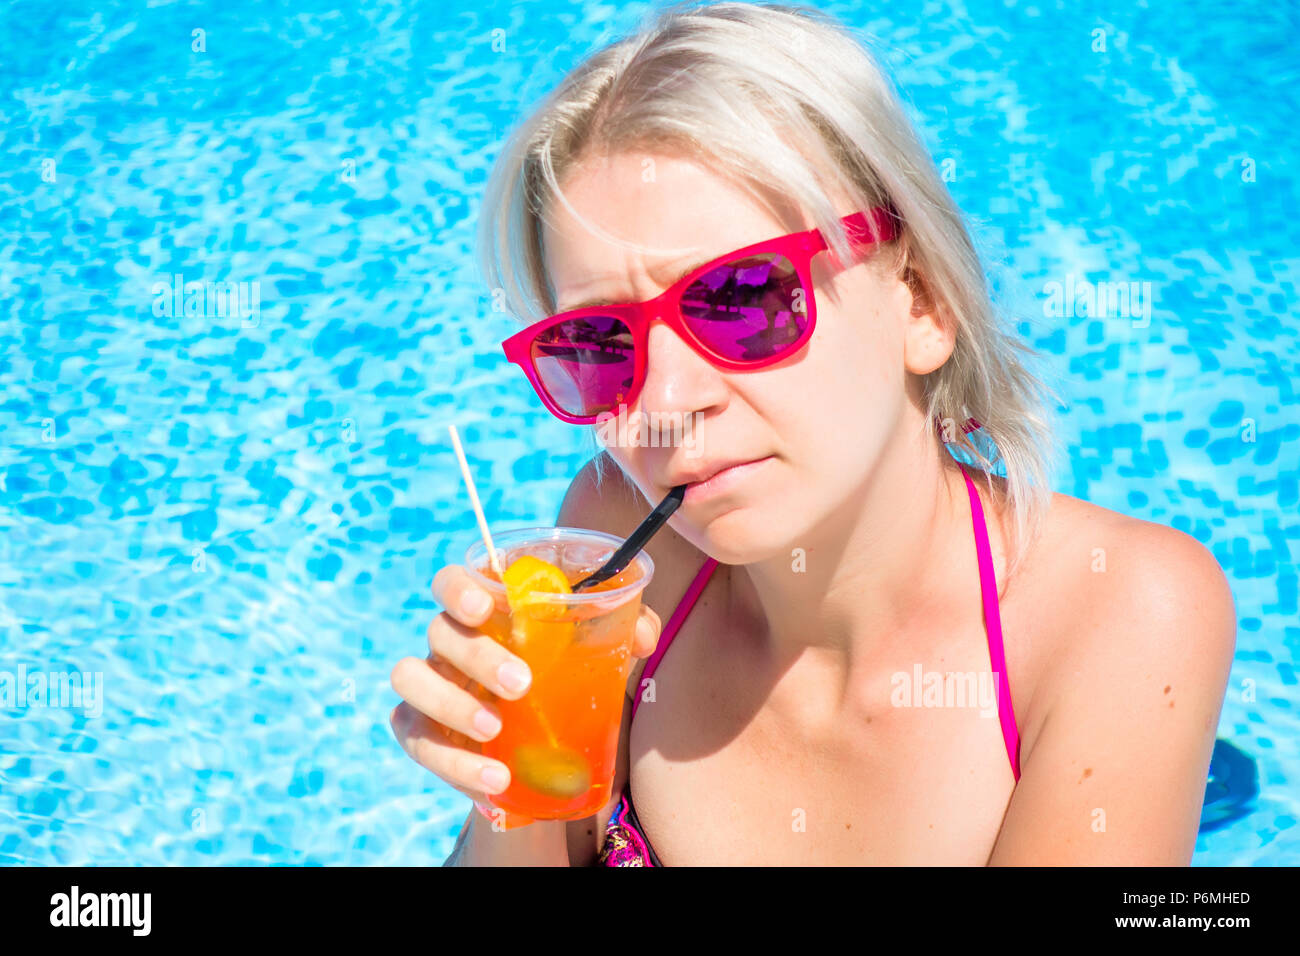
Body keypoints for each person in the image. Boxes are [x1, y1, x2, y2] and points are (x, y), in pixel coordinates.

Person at [390, 1, 1236, 865]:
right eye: (601, 344)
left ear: (922, 300)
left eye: (744, 297)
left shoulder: (1118, 615)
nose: (667, 401)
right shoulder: (616, 556)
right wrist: (514, 776)